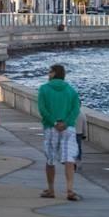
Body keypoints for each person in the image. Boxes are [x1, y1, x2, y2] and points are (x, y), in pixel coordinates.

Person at [37, 64, 81, 201]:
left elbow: (42, 109)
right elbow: (76, 109)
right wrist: (66, 122)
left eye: (49, 72)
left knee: (50, 159)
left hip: (51, 128)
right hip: (68, 129)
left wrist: (54, 122)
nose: (48, 74)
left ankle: (51, 189)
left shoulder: (44, 89)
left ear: (54, 73)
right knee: (69, 159)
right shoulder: (71, 91)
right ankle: (70, 189)